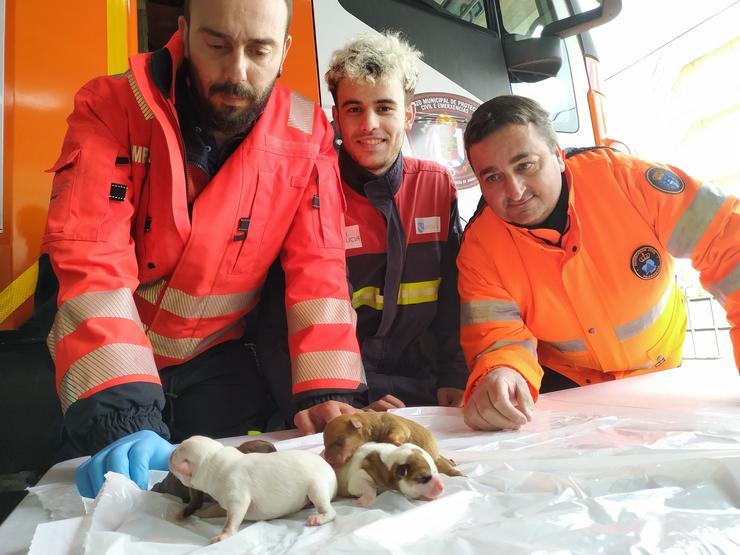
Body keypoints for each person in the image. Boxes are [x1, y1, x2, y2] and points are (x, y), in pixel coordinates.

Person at [42, 0, 364, 498]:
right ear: (185, 33)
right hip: (112, 365)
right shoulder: (111, 106)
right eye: (217, 45)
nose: (236, 73)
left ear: (285, 51)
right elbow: (91, 262)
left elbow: (319, 265)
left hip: (220, 365)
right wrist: (122, 411)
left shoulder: (309, 132)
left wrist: (327, 393)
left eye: (259, 49)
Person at [458, 95, 739, 432]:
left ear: (558, 156)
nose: (514, 190)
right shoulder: (479, 248)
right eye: (492, 177)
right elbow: (498, 341)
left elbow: (728, 242)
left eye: (525, 165)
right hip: (568, 391)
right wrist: (500, 374)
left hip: (661, 374)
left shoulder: (628, 181)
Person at [256, 32, 467, 420]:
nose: (369, 124)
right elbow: (276, 322)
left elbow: (455, 298)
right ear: (335, 116)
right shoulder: (308, 191)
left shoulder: (436, 185)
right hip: (346, 398)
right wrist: (343, 400)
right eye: (354, 109)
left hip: (429, 393)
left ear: (408, 114)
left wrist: (456, 376)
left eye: (384, 108)